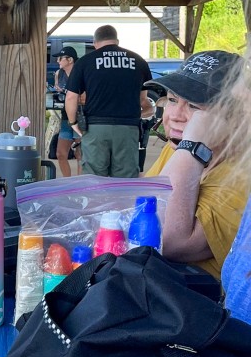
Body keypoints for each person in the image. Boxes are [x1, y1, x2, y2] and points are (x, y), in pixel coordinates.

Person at [143, 49, 248, 282]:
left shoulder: (241, 176)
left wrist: (192, 147)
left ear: (233, 115)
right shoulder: (177, 150)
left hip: (200, 309)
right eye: (172, 100)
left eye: (193, 106)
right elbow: (137, 208)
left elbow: (168, 241)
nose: (175, 115)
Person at [64, 24, 153, 178]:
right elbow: (143, 100)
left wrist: (74, 123)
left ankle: (98, 203)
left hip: (95, 128)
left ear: (95, 42)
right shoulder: (139, 61)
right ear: (117, 41)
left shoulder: (85, 62)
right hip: (128, 128)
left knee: (94, 180)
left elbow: (71, 97)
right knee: (125, 181)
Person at [52, 46, 82, 177]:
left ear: (70, 60)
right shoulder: (59, 73)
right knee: (60, 153)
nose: (58, 61)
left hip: (80, 116)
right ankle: (67, 181)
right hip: (66, 115)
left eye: (60, 58)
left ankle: (81, 184)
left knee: (80, 153)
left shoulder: (81, 73)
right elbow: (59, 90)